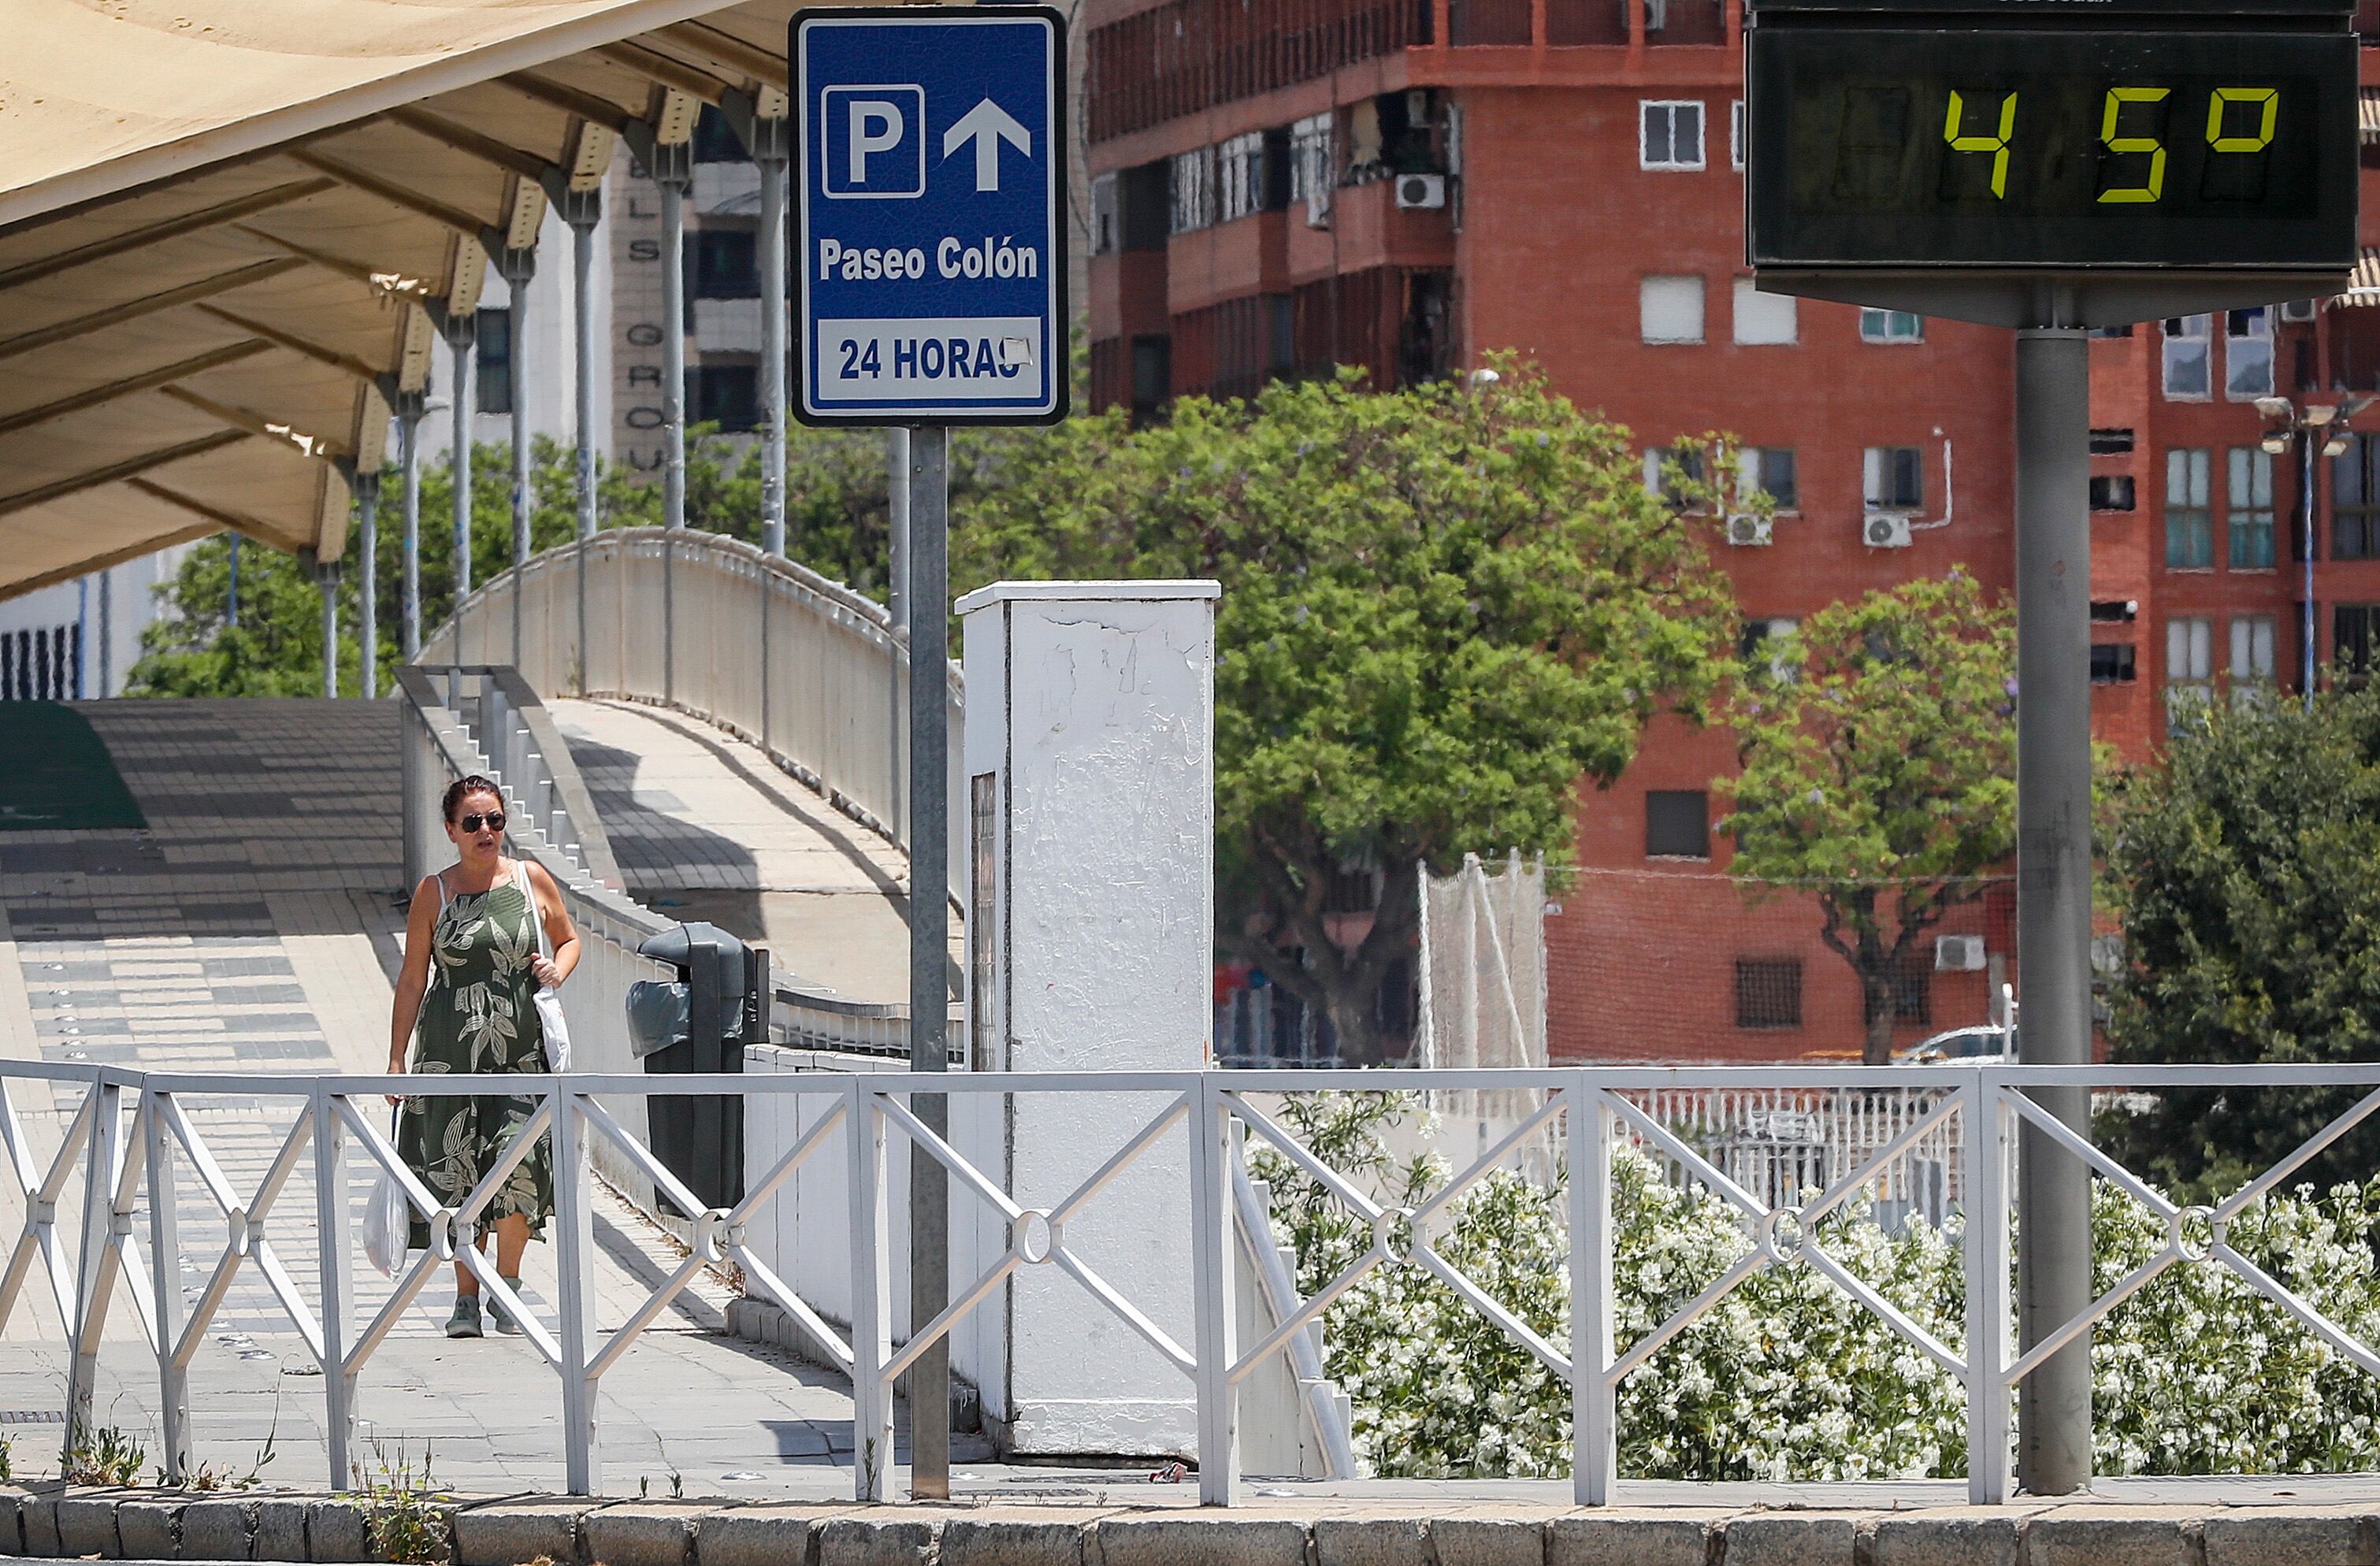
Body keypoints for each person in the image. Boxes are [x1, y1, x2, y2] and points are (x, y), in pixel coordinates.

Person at [388, 775, 581, 1338]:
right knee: (457, 1174)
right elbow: (410, 980)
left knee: (517, 1165)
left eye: (494, 820)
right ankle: (467, 1298)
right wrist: (396, 1060)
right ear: (450, 830)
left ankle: (509, 1287)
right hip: (448, 1055)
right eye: (472, 822)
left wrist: (557, 970)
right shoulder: (435, 893)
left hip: (520, 1053)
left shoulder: (530, 880)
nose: (485, 831)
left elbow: (569, 940)